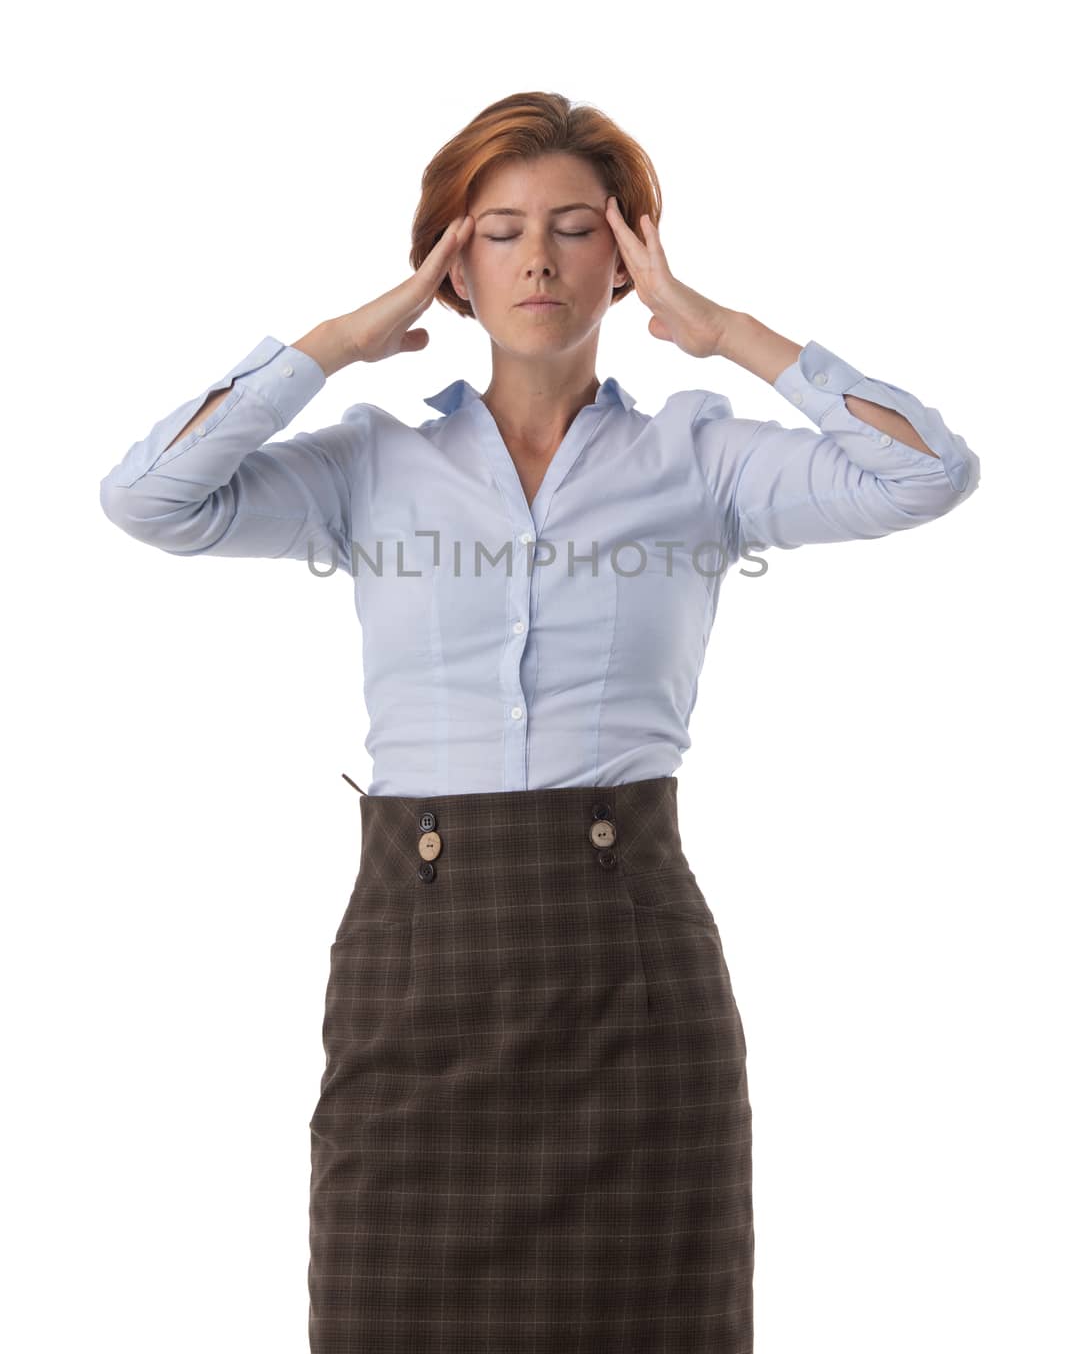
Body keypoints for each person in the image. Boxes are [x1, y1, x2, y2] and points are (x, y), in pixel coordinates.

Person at [99, 90, 980, 1352]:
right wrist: (336, 342)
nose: (537, 259)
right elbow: (147, 500)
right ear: (450, 261)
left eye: (575, 228)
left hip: (630, 974)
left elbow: (925, 473)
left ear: (623, 257)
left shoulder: (701, 458)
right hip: (417, 974)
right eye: (498, 229)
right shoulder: (365, 466)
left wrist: (723, 329)